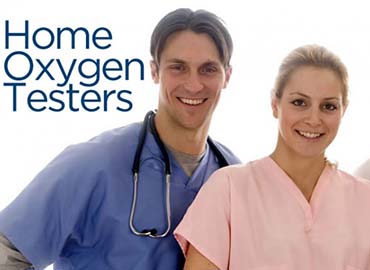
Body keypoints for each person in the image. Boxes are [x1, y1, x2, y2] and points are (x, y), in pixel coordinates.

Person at [0, 8, 240, 270]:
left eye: (208, 69)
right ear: (155, 71)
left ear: (226, 76)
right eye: (178, 68)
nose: (193, 85)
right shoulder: (93, 163)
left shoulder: (234, 177)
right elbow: (7, 252)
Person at [175, 44, 370, 270]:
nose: (314, 119)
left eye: (328, 106)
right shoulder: (228, 189)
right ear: (275, 104)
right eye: (300, 102)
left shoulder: (365, 199)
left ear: (343, 110)